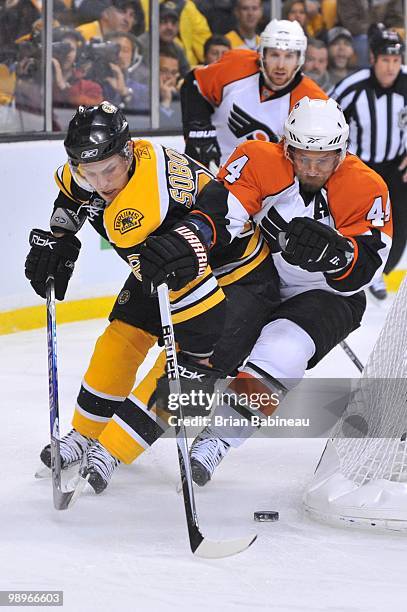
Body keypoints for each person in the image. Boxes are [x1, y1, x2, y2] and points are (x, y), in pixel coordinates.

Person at [28, 101, 280, 493]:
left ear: (127, 152)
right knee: (123, 335)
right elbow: (72, 194)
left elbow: (197, 324)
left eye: (108, 170)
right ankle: (85, 433)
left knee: (188, 362)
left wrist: (204, 352)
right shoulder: (100, 163)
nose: (101, 182)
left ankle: (112, 450)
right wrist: (60, 234)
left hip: (239, 274)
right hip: (168, 252)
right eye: (89, 173)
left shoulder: (142, 207)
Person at [140, 97, 392, 486]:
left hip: (329, 297)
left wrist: (338, 255)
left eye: (322, 159)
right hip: (260, 279)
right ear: (286, 147)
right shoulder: (259, 159)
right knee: (204, 354)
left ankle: (219, 438)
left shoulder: (367, 186)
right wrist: (191, 240)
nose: (311, 169)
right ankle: (126, 438)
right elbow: (222, 214)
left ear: (341, 153)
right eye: (302, 156)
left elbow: (368, 267)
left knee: (283, 351)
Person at [181, 19, 327, 169]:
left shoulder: (313, 102)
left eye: (289, 56)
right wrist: (199, 131)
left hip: (264, 186)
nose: (281, 65)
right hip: (210, 170)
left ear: (299, 59)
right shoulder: (236, 65)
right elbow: (195, 83)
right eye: (274, 55)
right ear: (262, 54)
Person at [329, 26, 407, 299]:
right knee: (352, 221)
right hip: (359, 167)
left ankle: (379, 272)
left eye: (396, 61)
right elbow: (326, 116)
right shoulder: (353, 86)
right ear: (373, 58)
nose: (391, 67)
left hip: (395, 166)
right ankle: (346, 268)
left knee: (399, 226)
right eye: (385, 60)